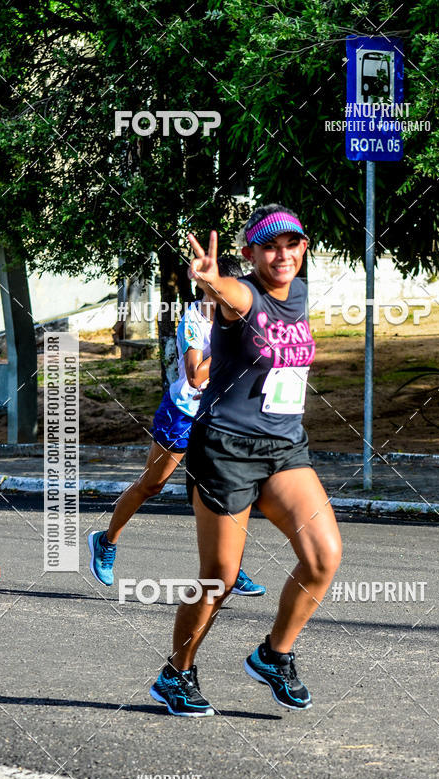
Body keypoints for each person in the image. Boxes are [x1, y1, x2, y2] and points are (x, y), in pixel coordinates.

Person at [150, 204, 342, 717]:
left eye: (292, 244)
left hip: (284, 448)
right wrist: (212, 282)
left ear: (303, 248)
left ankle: (274, 655)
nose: (283, 254)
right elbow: (230, 298)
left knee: (323, 556)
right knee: (221, 576)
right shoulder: (243, 295)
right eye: (270, 246)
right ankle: (177, 673)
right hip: (225, 450)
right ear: (249, 253)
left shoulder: (297, 293)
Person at [88, 256, 266, 598]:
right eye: (223, 290)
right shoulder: (193, 321)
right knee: (151, 485)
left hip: (221, 416)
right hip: (183, 413)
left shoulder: (241, 316)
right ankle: (106, 541)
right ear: (209, 289)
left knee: (228, 492)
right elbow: (197, 375)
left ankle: (231, 567)